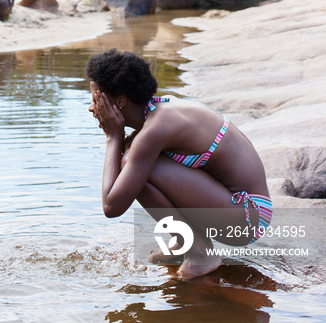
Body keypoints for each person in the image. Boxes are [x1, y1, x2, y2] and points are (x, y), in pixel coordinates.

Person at [86, 48, 272, 279]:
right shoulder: (157, 111)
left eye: (96, 99)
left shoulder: (158, 128)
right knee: (133, 158)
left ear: (121, 101)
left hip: (249, 218)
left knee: (135, 164)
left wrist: (112, 136)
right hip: (238, 208)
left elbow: (112, 207)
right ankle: (186, 241)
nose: (91, 107)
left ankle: (200, 253)